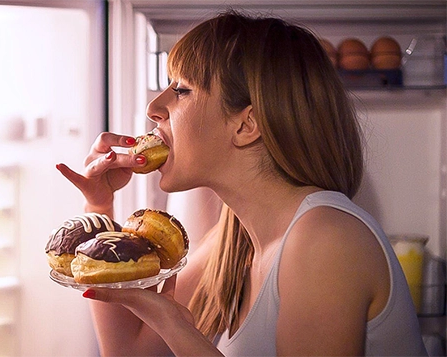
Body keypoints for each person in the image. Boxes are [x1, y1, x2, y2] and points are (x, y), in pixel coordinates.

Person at [56, 10, 427, 357]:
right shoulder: (233, 239)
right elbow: (130, 352)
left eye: (182, 90)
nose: (156, 106)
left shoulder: (325, 239)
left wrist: (176, 326)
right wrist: (100, 208)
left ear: (246, 125)